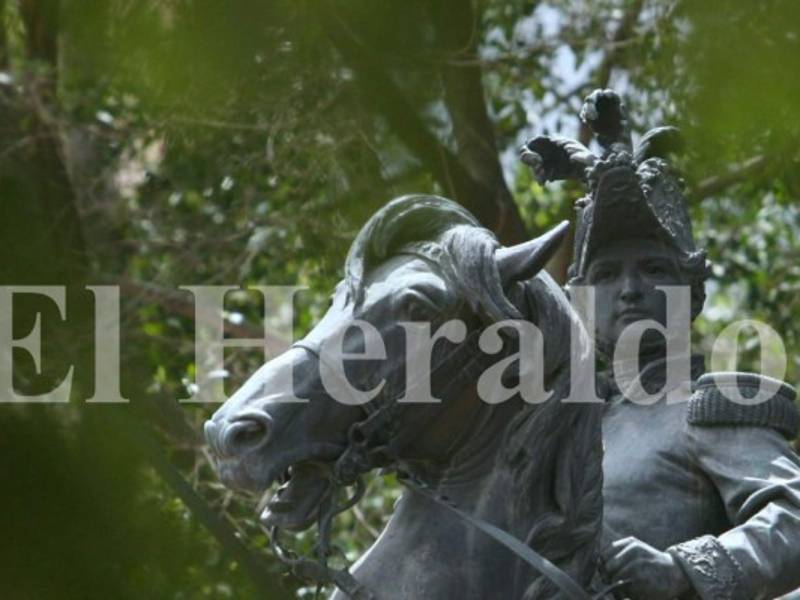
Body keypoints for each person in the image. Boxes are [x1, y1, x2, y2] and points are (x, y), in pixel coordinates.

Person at [521, 90, 800, 599]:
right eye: (606, 274)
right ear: (580, 301)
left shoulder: (707, 409)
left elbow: (794, 516)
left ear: (688, 291)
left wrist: (681, 571)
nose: (629, 289)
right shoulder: (558, 431)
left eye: (652, 269)